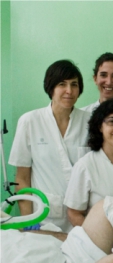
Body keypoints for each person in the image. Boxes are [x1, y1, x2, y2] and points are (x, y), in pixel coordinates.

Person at [9, 60, 91, 233]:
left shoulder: (90, 122)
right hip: (43, 217)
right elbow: (22, 178)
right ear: (51, 87)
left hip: (82, 217)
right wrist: (28, 220)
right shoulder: (30, 121)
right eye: (62, 84)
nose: (69, 91)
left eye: (74, 84)